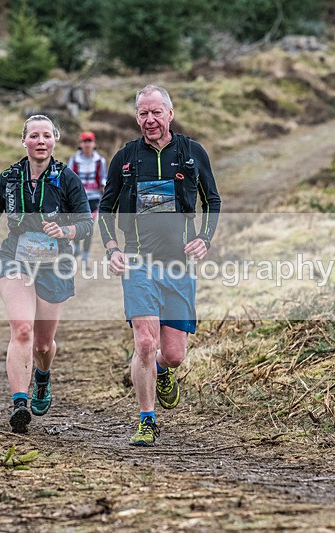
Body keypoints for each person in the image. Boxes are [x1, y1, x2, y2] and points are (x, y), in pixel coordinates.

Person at [98, 85, 221, 446]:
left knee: (173, 355)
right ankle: (146, 420)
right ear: (136, 117)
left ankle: (164, 373)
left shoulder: (192, 152)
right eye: (142, 114)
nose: (149, 120)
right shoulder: (125, 157)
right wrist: (111, 249)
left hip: (179, 265)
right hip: (138, 263)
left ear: (170, 113)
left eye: (155, 112)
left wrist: (205, 238)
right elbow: (106, 208)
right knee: (145, 344)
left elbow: (212, 199)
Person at [0, 115, 93, 434]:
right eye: (34, 135)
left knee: (43, 346)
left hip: (55, 265)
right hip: (15, 258)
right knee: (22, 329)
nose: (40, 141)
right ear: (24, 141)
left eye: (46, 135)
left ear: (55, 140)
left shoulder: (67, 178)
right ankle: (19, 403)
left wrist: (66, 229)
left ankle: (42, 378)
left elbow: (86, 224)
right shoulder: (9, 177)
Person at [67, 131, 107, 261]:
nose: (87, 144)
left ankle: (85, 254)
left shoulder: (100, 161)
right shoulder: (73, 160)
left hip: (94, 199)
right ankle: (77, 247)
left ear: (94, 144)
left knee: (89, 227)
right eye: (85, 141)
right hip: (77, 198)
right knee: (76, 224)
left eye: (90, 141)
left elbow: (103, 179)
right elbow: (68, 179)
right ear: (80, 144)